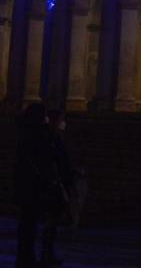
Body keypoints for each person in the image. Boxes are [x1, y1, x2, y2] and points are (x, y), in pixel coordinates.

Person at [14, 103, 57, 268]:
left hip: (26, 186)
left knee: (27, 226)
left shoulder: (25, 132)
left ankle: (25, 258)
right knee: (29, 226)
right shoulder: (37, 134)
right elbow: (45, 159)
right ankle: (27, 259)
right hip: (34, 187)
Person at [41, 109, 75, 266]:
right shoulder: (52, 139)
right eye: (62, 120)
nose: (64, 123)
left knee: (51, 224)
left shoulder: (54, 138)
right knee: (50, 223)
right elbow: (59, 163)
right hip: (54, 187)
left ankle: (47, 254)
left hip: (55, 185)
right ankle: (46, 255)